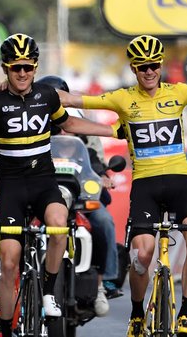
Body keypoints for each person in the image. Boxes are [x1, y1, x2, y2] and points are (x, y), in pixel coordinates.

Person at [58, 34, 187, 337]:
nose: (149, 71)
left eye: (154, 65)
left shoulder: (178, 92)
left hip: (180, 183)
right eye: (142, 67)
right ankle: (138, 314)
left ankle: (185, 315)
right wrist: (21, 88)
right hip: (146, 186)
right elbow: (72, 101)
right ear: (133, 68)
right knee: (142, 255)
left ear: (161, 65)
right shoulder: (122, 98)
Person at [0, 34, 118, 337]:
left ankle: (49, 290)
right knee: (8, 263)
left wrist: (112, 130)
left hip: (44, 182)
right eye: (15, 68)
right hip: (12, 188)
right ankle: (6, 329)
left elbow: (71, 125)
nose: (22, 73)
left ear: (35, 67)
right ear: (6, 69)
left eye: (27, 67)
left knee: (60, 223)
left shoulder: (47, 95)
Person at [37, 74, 120, 316]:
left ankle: (105, 281)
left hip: (79, 196)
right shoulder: (34, 124)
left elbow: (94, 159)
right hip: (44, 195)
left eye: (60, 98)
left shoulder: (82, 125)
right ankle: (23, 278)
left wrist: (102, 176)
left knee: (103, 221)